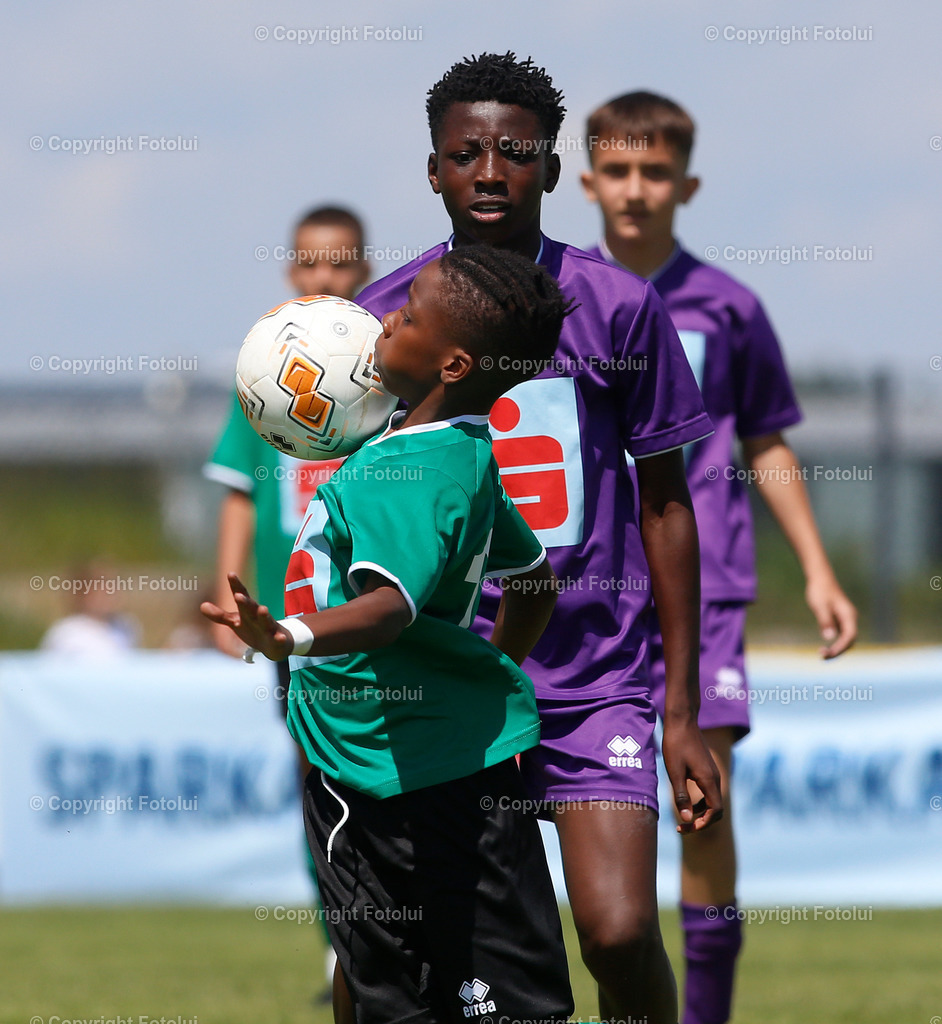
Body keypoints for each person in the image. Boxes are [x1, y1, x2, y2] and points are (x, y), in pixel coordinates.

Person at [353, 53, 723, 1024]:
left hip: (591, 679)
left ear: (554, 170)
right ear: (431, 170)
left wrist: (680, 708)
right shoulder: (380, 324)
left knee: (615, 930)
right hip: (437, 687)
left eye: (515, 152)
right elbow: (344, 502)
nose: (489, 170)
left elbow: (670, 503)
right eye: (464, 152)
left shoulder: (619, 306)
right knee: (383, 946)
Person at [202, 244, 576, 1024]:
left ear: (451, 363)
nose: (380, 324)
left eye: (405, 318)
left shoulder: (399, 470)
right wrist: (485, 667)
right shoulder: (466, 454)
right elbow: (535, 579)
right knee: (498, 990)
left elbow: (389, 609)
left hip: (376, 775)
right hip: (458, 762)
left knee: (395, 993)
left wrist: (291, 636)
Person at [581, 90, 858, 1024]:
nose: (636, 188)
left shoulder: (730, 308)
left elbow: (766, 441)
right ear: (586, 179)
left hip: (705, 592)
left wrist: (817, 569)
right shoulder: (559, 299)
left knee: (708, 803)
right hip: (586, 596)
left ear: (686, 183)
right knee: (575, 811)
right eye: (617, 170)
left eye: (655, 171)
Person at [203, 204, 369, 1003]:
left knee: (380, 781)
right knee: (318, 782)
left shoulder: (380, 367)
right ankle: (339, 947)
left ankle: (394, 934)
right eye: (310, 264)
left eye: (339, 263)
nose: (324, 278)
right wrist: (230, 588)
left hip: (371, 616)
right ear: (289, 272)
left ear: (364, 269)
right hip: (288, 627)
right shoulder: (266, 369)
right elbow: (239, 494)